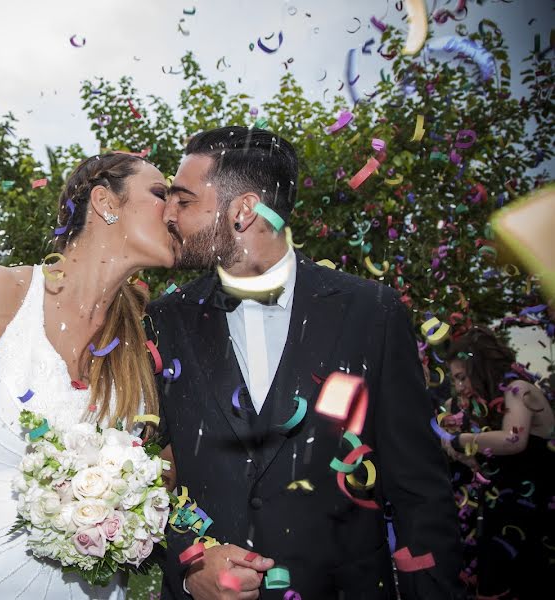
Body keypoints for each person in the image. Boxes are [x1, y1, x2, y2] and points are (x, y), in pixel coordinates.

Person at [0, 153, 238, 599]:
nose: (174, 211)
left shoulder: (144, 338)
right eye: (158, 194)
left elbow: (165, 479)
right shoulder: (1, 293)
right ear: (104, 202)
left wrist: (204, 550)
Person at [148, 127, 462, 599]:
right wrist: (189, 564)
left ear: (244, 210)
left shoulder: (371, 312)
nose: (166, 214)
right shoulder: (164, 320)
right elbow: (153, 476)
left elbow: (419, 487)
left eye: (183, 200)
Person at [444, 327, 554, 599]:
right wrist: (457, 448)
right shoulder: (483, 404)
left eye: (461, 377)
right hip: (500, 514)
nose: (459, 387)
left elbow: (513, 439)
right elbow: (455, 440)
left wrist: (464, 440)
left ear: (479, 368)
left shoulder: (519, 390)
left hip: (535, 512)